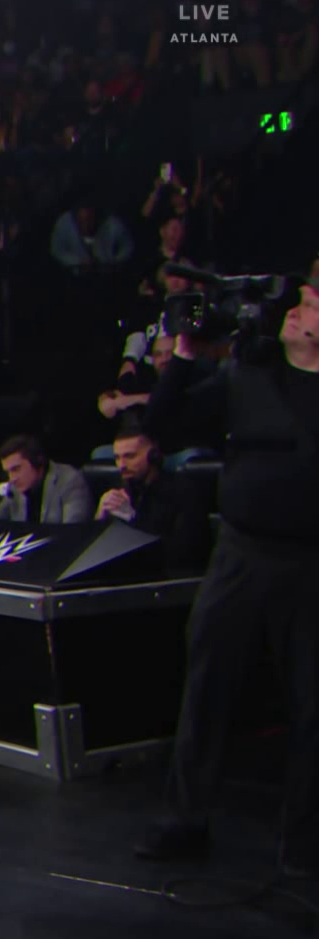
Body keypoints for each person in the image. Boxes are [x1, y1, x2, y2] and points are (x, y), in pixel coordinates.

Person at [135, 279, 319, 880]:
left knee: (311, 703)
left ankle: (303, 841)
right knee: (208, 685)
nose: (296, 310)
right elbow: (162, 425)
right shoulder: (248, 377)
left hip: (310, 561)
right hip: (240, 553)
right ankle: (185, 819)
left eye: (311, 304)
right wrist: (184, 356)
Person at [93, 420, 212, 570]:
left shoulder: (184, 491)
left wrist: (132, 518)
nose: (121, 465)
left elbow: (184, 552)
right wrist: (100, 517)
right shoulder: (123, 490)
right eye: (117, 458)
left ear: (153, 456)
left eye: (130, 456)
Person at [0, 434, 92, 525]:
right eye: (8, 472)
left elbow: (73, 531)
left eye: (16, 469)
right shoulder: (14, 488)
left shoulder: (69, 480)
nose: (12, 478)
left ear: (37, 462)